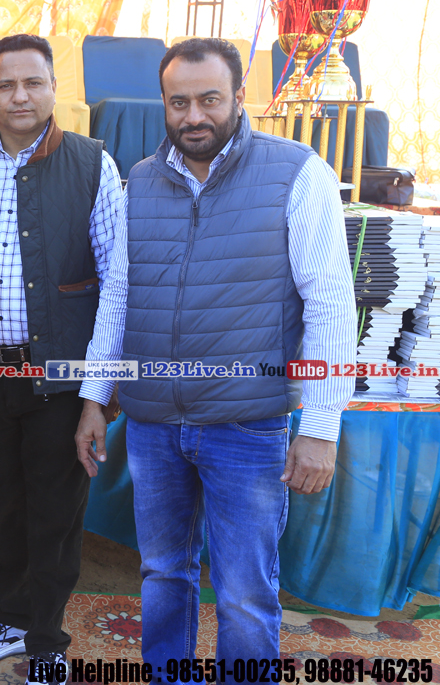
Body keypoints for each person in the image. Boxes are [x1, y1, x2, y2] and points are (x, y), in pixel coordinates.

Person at [75, 37, 357, 663]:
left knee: (244, 592)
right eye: (179, 103)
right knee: (162, 574)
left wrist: (320, 426)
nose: (194, 116)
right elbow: (118, 296)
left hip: (246, 426)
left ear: (238, 96)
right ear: (162, 103)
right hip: (153, 424)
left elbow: (330, 304)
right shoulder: (140, 181)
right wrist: (95, 396)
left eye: (209, 99)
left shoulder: (297, 171)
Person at [0, 35, 123, 676]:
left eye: (33, 83)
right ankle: (10, 618)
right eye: (5, 85)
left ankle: (46, 639)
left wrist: (98, 394)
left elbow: (118, 282)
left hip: (59, 373)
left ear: (53, 88)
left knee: (54, 514)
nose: (20, 96)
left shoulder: (92, 163)